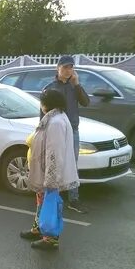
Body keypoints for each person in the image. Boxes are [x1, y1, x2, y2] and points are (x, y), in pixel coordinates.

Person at [21, 88, 79, 250]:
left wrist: (51, 180)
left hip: (50, 174)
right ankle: (39, 228)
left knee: (50, 205)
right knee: (42, 202)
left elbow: (54, 153)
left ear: (47, 104)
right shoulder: (55, 118)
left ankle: (51, 238)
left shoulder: (56, 123)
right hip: (44, 172)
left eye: (42, 102)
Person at [42, 55, 90, 214]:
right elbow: (42, 112)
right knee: (54, 162)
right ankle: (52, 196)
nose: (68, 70)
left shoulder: (73, 87)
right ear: (58, 68)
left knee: (72, 164)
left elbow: (85, 102)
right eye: (65, 67)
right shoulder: (50, 87)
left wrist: (77, 85)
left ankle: (74, 199)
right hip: (55, 131)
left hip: (72, 131)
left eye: (71, 67)